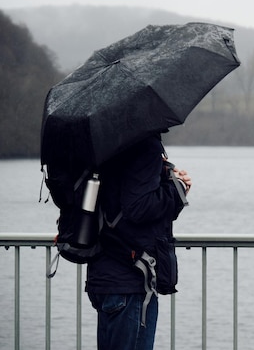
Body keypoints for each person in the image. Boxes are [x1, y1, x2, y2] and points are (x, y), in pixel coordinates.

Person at [85, 133, 191, 350]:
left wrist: (166, 175)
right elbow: (138, 208)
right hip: (130, 281)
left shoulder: (104, 143)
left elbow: (121, 203)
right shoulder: (144, 145)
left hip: (103, 277)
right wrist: (176, 188)